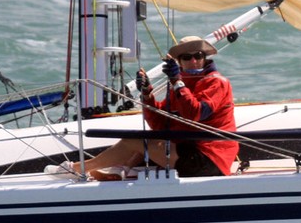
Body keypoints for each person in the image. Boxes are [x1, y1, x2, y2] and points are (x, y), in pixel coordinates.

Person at [47, 36, 238, 179]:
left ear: (205, 58)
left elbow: (195, 113)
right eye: (187, 57)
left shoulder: (216, 83)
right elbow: (160, 125)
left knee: (133, 140)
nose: (194, 61)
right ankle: (121, 171)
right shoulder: (179, 86)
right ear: (179, 62)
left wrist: (177, 82)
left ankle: (77, 169)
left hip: (209, 159)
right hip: (191, 152)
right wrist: (147, 93)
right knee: (144, 138)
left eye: (198, 56)